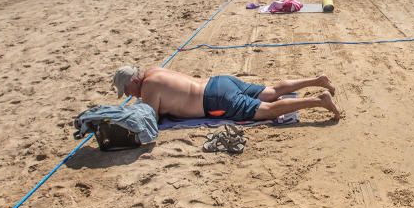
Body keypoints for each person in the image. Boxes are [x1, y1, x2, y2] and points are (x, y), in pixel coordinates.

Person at [112, 66, 341, 121]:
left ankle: (319, 101)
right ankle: (317, 80)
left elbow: (149, 118)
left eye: (128, 90)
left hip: (214, 100)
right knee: (271, 91)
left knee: (268, 111)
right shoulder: (154, 71)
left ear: (134, 80)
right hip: (220, 82)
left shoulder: (148, 88)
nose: (131, 95)